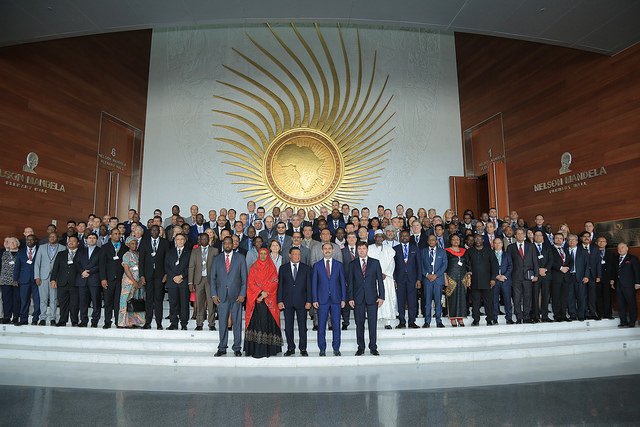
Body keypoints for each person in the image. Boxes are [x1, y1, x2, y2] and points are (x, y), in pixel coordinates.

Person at [211, 236, 247, 357]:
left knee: (237, 323)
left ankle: (237, 348)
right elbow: (213, 278)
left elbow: (244, 279)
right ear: (223, 244)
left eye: (229, 243)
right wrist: (214, 294)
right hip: (221, 296)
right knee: (222, 323)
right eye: (225, 243)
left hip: (237, 296)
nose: (227, 245)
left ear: (233, 245)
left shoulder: (240, 258)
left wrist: (242, 294)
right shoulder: (217, 259)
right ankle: (222, 347)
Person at [244, 248, 283, 357]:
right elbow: (250, 283)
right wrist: (260, 294)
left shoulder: (272, 267)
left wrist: (264, 294)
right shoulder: (253, 267)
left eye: (265, 254)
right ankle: (255, 349)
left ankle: (269, 350)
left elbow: (274, 281)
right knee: (257, 324)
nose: (263, 255)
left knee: (267, 324)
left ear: (268, 255)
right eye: (261, 253)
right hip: (256, 301)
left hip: (268, 301)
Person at [348, 241, 385, 356]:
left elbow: (380, 280)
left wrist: (382, 296)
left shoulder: (375, 263)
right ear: (357, 250)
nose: (361, 251)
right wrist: (350, 298)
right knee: (359, 324)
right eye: (359, 249)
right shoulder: (352, 264)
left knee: (372, 324)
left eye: (364, 248)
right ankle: (361, 347)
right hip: (358, 298)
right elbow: (350, 283)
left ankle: (373, 347)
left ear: (367, 249)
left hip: (372, 298)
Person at [312, 242, 347, 356]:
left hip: (336, 300)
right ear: (322, 251)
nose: (327, 250)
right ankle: (322, 349)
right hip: (322, 300)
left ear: (333, 250)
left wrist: (343, 299)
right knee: (321, 326)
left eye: (329, 249)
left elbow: (342, 283)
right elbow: (314, 284)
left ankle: (336, 348)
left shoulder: (339, 265)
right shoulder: (317, 265)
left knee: (336, 325)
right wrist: (315, 299)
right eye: (325, 249)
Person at [278, 247, 312, 356]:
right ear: (289, 255)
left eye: (298, 254)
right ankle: (290, 348)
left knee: (303, 327)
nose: (297, 256)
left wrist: (309, 301)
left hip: (302, 302)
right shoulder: (283, 268)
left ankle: (303, 348)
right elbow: (280, 286)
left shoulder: (306, 268)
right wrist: (279, 300)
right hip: (287, 302)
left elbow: (309, 287)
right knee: (288, 327)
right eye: (294, 254)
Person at [139, 225, 170, 330]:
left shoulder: (165, 242)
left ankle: (159, 323)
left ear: (159, 231)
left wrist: (166, 274)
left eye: (157, 230)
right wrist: (141, 275)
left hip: (160, 276)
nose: (155, 232)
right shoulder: (144, 242)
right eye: (153, 230)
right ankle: (147, 322)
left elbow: (167, 260)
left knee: (158, 299)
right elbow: (141, 261)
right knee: (148, 299)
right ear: (150, 231)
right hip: (147, 275)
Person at [464, 234, 498, 326]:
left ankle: (489, 320)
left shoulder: (489, 251)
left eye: (479, 239)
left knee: (488, 302)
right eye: (476, 238)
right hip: (474, 281)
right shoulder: (470, 251)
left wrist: (493, 278)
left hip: (487, 281)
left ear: (483, 240)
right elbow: (466, 264)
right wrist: (469, 275)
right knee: (475, 303)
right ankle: (476, 320)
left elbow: (494, 265)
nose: (478, 240)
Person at [507, 228, 539, 324]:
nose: (520, 235)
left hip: (528, 277)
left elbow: (535, 261)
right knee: (516, 298)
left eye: (522, 234)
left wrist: (536, 274)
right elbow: (509, 263)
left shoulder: (531, 246)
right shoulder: (510, 247)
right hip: (515, 277)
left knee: (527, 297)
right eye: (518, 234)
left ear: (524, 236)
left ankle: (526, 317)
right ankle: (518, 317)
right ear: (515, 236)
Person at [188, 233, 218, 331]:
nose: (204, 240)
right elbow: (191, 266)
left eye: (206, 239)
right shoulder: (195, 251)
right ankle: (199, 323)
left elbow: (217, 267)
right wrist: (190, 282)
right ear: (199, 240)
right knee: (199, 303)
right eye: (202, 239)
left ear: (209, 240)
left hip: (210, 280)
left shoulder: (214, 250)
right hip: (198, 280)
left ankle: (211, 323)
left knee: (211, 303)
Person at [34, 232, 65, 326]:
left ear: (57, 238)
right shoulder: (42, 247)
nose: (52, 238)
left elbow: (63, 265)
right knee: (43, 299)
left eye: (54, 236)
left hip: (55, 278)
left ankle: (52, 318)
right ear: (48, 238)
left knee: (54, 298)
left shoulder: (62, 248)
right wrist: (37, 276)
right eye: (50, 236)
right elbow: (37, 263)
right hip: (43, 277)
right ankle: (42, 318)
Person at [99, 228, 128, 329]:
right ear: (111, 235)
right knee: (108, 301)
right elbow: (101, 264)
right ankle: (107, 321)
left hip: (121, 279)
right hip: (108, 279)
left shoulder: (124, 247)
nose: (117, 235)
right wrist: (103, 278)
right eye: (115, 234)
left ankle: (118, 321)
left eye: (119, 234)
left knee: (118, 302)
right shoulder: (105, 247)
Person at [367, 230, 397, 329]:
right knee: (373, 298)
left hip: (386, 278)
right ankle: (374, 319)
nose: (379, 238)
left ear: (383, 238)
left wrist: (386, 274)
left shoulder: (389, 249)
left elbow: (392, 263)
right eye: (377, 236)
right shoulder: (369, 248)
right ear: (374, 238)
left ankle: (387, 322)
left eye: (381, 237)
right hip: (372, 278)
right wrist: (376, 274)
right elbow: (367, 263)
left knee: (387, 299)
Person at [393, 230, 421, 328]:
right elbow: (393, 266)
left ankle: (411, 322)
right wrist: (394, 280)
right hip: (399, 280)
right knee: (400, 301)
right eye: (402, 236)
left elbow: (419, 265)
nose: (404, 237)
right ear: (400, 237)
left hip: (412, 279)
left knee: (412, 301)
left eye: (406, 236)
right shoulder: (395, 249)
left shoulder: (415, 248)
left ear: (409, 237)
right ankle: (402, 322)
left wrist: (418, 279)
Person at [49, 236, 80, 326]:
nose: (71, 242)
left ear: (78, 243)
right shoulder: (61, 254)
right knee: (63, 303)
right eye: (69, 241)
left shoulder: (81, 253)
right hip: (62, 282)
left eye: (73, 241)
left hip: (75, 282)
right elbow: (55, 268)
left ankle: (74, 321)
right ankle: (62, 320)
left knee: (74, 303)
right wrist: (53, 279)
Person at [164, 233, 191, 330]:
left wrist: (181, 276)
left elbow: (190, 267)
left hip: (183, 281)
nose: (180, 241)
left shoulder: (189, 252)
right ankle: (173, 323)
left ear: (184, 241)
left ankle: (184, 324)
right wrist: (174, 277)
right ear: (175, 241)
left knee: (184, 303)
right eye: (178, 239)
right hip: (172, 281)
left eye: (181, 239)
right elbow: (166, 266)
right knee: (173, 303)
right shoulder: (170, 252)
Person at [420, 234, 447, 328]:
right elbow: (420, 265)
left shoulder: (442, 252)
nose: (431, 241)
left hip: (438, 280)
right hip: (427, 280)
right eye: (430, 240)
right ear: (427, 242)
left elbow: (444, 265)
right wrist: (427, 275)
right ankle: (427, 321)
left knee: (438, 301)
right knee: (427, 302)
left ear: (436, 241)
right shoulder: (423, 252)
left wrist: (436, 275)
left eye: (433, 240)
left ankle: (439, 321)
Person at [75, 233, 101, 327]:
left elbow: (101, 265)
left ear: (97, 240)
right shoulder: (81, 250)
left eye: (94, 238)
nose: (92, 239)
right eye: (89, 238)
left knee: (96, 302)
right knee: (83, 302)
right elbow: (76, 263)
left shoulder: (100, 251)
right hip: (82, 280)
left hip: (94, 280)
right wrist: (82, 272)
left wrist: (88, 271)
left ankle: (94, 322)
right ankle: (83, 321)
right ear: (86, 240)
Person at [118, 236, 145, 328]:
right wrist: (133, 281)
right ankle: (123, 322)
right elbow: (126, 269)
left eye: (136, 243)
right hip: (129, 280)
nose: (135, 245)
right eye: (132, 243)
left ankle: (133, 322)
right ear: (128, 244)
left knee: (135, 300)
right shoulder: (126, 255)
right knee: (126, 300)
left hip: (138, 280)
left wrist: (140, 280)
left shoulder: (138, 254)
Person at [13, 234, 40, 325]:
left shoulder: (40, 250)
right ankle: (23, 320)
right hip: (24, 280)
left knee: (37, 300)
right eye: (28, 240)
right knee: (24, 300)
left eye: (32, 240)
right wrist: (15, 279)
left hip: (37, 279)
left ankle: (35, 319)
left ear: (35, 241)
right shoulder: (21, 252)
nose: (29, 241)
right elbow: (17, 266)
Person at [444, 234, 470, 327]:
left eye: (457, 239)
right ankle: (452, 318)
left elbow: (468, 264)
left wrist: (469, 276)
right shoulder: (446, 251)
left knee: (462, 297)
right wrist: (445, 278)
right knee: (452, 297)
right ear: (450, 241)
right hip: (451, 278)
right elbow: (444, 265)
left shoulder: (464, 251)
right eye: (453, 239)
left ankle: (460, 318)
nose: (456, 241)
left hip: (462, 278)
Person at [613, 242, 640, 328]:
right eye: (619, 248)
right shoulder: (616, 259)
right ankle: (623, 321)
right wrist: (613, 280)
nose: (620, 249)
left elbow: (637, 271)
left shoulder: (632, 258)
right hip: (618, 285)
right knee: (621, 304)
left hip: (630, 285)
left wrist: (638, 282)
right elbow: (614, 271)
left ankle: (632, 321)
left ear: (627, 248)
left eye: (622, 247)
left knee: (631, 304)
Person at [550, 233, 573, 322]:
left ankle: (563, 315)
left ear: (563, 240)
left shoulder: (565, 249)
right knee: (556, 297)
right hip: (556, 277)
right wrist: (560, 268)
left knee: (564, 297)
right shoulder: (550, 249)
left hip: (566, 277)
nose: (559, 240)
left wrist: (567, 267)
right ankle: (557, 315)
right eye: (557, 238)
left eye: (561, 238)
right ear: (553, 240)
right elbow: (550, 261)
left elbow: (571, 261)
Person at [533, 230, 554, 322]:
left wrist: (545, 269)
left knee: (546, 296)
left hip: (546, 275)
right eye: (536, 235)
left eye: (540, 235)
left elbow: (551, 260)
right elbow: (529, 261)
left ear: (543, 237)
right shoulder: (530, 247)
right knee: (535, 296)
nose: (538, 237)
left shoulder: (548, 247)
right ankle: (536, 316)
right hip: (536, 275)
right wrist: (538, 270)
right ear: (534, 237)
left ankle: (545, 316)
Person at [492, 237, 513, 325]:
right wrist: (496, 276)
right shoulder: (490, 254)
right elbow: (488, 267)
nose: (497, 245)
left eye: (499, 243)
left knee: (507, 300)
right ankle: (495, 318)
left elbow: (510, 266)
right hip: (495, 280)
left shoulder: (507, 254)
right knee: (494, 300)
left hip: (505, 280)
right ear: (493, 244)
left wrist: (504, 276)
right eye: (495, 243)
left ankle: (509, 318)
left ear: (502, 244)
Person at [593, 236, 614, 319]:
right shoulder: (593, 252)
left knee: (607, 296)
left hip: (607, 278)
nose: (601, 243)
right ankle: (599, 314)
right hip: (597, 278)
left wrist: (612, 278)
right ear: (596, 243)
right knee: (598, 296)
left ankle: (608, 314)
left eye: (603, 241)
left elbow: (613, 267)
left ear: (606, 243)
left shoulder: (611, 253)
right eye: (599, 241)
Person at [1, 237, 21, 324]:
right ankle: (7, 316)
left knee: (16, 299)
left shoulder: (22, 253)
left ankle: (16, 316)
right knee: (6, 299)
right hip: (5, 280)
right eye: (9, 242)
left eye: (14, 242)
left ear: (18, 244)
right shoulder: (3, 253)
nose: (12, 243)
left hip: (17, 280)